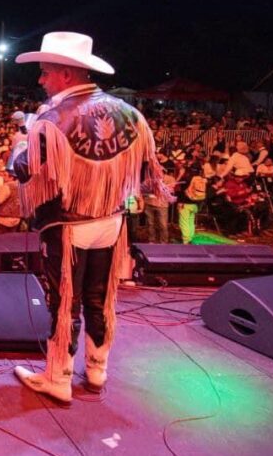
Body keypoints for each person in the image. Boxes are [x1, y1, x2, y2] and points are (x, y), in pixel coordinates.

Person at [9, 32, 170, 404]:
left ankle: (58, 378)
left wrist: (20, 143)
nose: (41, 79)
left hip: (67, 225)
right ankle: (97, 372)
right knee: (100, 298)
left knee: (65, 301)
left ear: (66, 74)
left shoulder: (50, 118)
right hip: (111, 222)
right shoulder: (131, 114)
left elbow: (24, 170)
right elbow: (147, 170)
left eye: (46, 72)